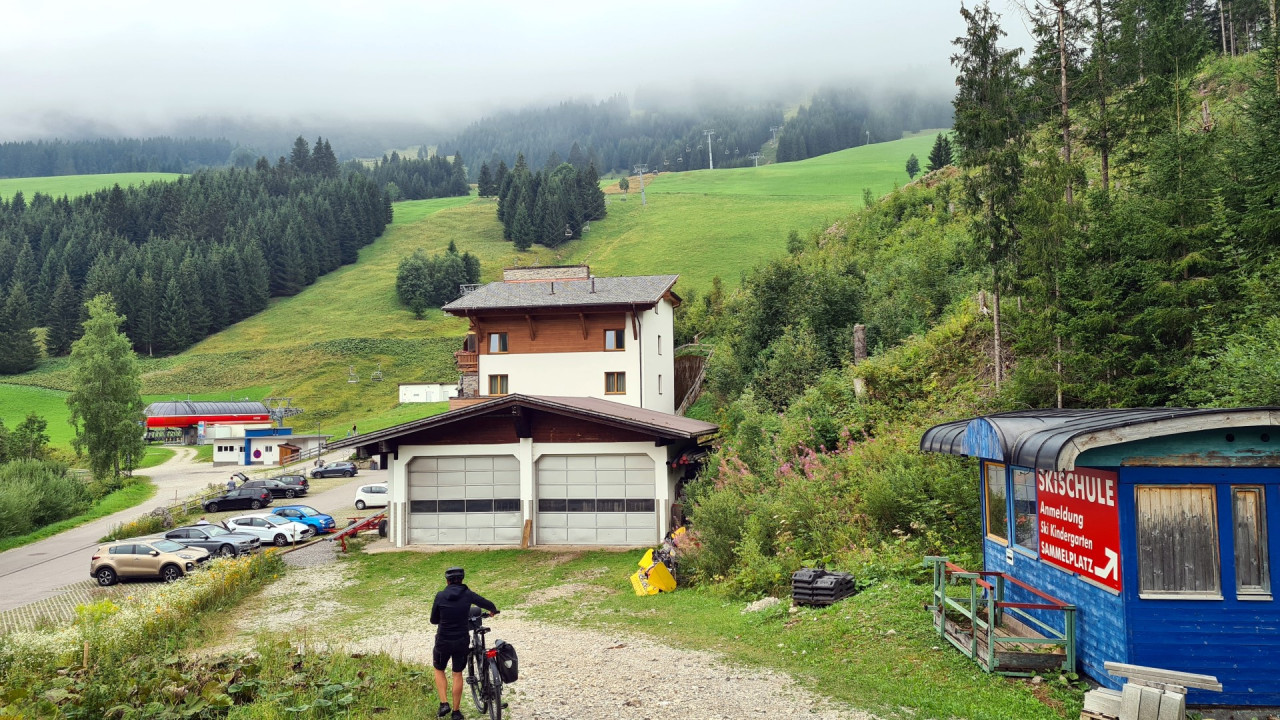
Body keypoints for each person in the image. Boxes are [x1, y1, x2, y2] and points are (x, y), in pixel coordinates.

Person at [430, 566, 498, 720]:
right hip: (461, 640)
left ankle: (444, 703)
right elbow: (484, 602)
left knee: (439, 669)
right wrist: (492, 609)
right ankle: (456, 712)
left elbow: (433, 620)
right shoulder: (467, 594)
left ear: (447, 581)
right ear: (462, 580)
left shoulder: (440, 596)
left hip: (443, 641)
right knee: (457, 674)